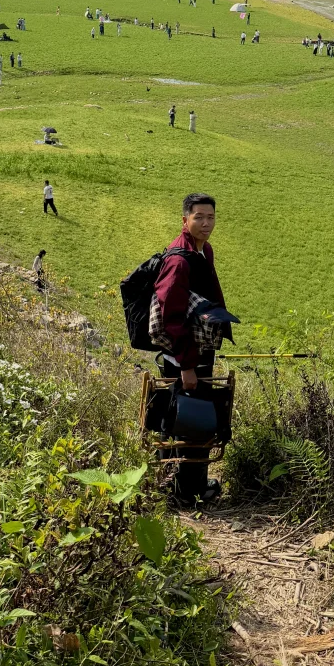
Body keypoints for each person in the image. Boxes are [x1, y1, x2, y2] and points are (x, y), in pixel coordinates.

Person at [151, 193, 227, 506]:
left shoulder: (202, 250)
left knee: (192, 418)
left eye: (210, 217)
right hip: (184, 356)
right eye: (199, 217)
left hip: (197, 351)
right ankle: (184, 491)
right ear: (185, 220)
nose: (206, 223)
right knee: (188, 420)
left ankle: (186, 485)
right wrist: (186, 366)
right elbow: (171, 318)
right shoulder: (179, 261)